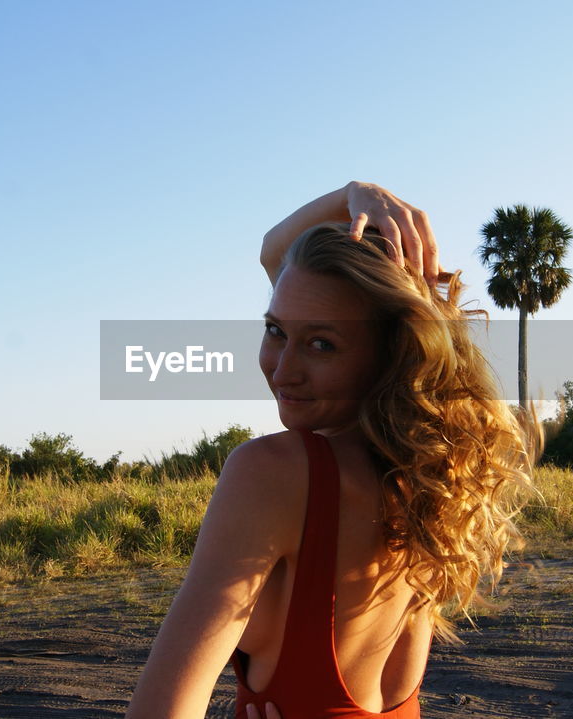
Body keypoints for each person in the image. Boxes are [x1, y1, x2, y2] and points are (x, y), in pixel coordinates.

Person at [125, 181, 538, 719]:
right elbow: (279, 252)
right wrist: (356, 195)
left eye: (322, 344)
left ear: (389, 356)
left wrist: (353, 196)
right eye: (276, 331)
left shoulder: (272, 473)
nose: (282, 368)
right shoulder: (433, 482)